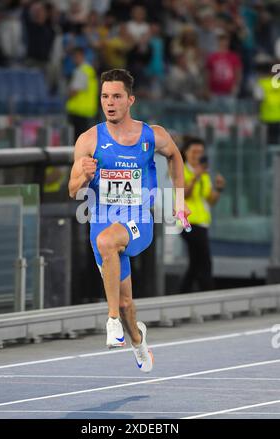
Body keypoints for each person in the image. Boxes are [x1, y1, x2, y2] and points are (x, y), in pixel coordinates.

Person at [68, 69, 190, 373]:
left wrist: (179, 202)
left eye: (117, 97)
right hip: (101, 222)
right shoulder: (88, 140)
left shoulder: (152, 134)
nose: (110, 103)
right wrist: (84, 175)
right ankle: (137, 339)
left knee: (108, 242)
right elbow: (72, 191)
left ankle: (110, 322)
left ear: (130, 100)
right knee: (126, 304)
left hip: (138, 222)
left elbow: (175, 156)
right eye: (105, 97)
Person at [179, 136, 226, 293]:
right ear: (186, 153)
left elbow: (210, 200)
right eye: (194, 151)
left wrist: (219, 189)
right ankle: (209, 293)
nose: (197, 155)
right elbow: (184, 194)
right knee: (205, 261)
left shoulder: (204, 173)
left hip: (202, 222)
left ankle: (183, 293)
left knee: (195, 263)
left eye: (200, 152)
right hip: (187, 222)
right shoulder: (180, 170)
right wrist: (195, 177)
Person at [66, 47, 99, 142]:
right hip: (88, 111)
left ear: (80, 56)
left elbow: (74, 91)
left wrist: (67, 93)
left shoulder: (81, 71)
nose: (73, 59)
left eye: (75, 57)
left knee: (78, 142)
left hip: (79, 112)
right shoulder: (90, 70)